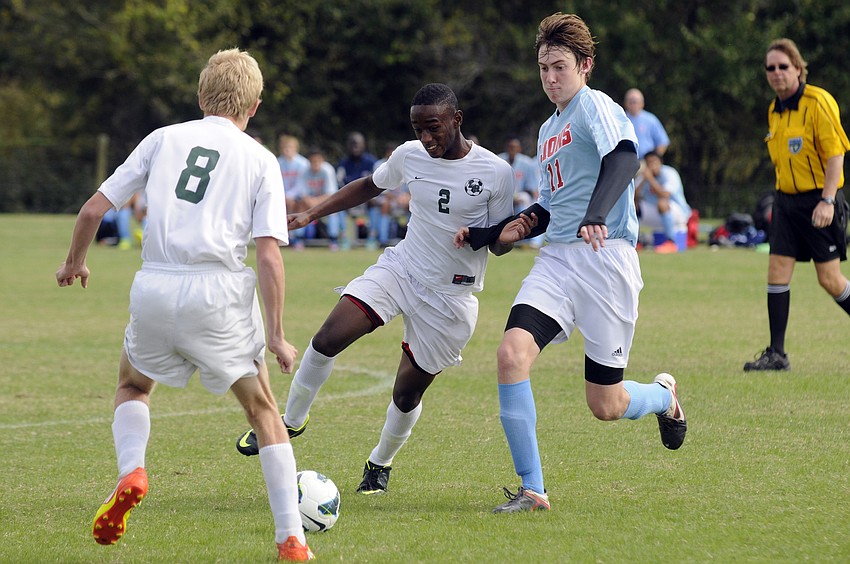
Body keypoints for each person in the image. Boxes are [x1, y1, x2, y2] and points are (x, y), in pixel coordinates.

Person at [55, 48, 313, 562]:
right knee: (263, 411)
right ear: (255, 106)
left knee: (132, 385)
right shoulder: (261, 159)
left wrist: (74, 263)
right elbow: (268, 255)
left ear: (200, 97)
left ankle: (132, 471)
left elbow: (91, 210)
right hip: (218, 293)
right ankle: (292, 538)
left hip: (155, 284)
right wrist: (278, 335)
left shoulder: (162, 139)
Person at [234, 83, 528, 497]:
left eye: (434, 127)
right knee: (327, 338)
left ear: (457, 120)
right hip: (401, 269)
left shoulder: (495, 172)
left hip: (450, 298)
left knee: (406, 395)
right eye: (418, 128)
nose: (426, 138)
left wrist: (496, 236)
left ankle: (380, 463)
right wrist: (311, 214)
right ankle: (290, 422)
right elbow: (369, 185)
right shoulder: (410, 154)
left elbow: (499, 243)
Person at [460, 13, 687, 514]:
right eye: (543, 68)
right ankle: (533, 490)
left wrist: (597, 213)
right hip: (557, 262)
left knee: (606, 404)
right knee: (510, 355)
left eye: (559, 66)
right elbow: (550, 207)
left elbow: (624, 158)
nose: (550, 77)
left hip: (606, 259)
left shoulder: (595, 105)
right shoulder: (548, 129)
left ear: (585, 65)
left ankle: (662, 396)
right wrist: (504, 230)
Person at [744, 38, 850, 372]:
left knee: (830, 280)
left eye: (783, 66)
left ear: (798, 68)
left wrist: (828, 200)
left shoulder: (818, 101)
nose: (776, 73)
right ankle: (777, 354)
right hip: (786, 203)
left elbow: (835, 154)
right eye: (770, 68)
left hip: (819, 200)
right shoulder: (773, 110)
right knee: (776, 272)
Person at [635, 150, 692, 253]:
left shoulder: (669, 173)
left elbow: (664, 195)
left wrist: (650, 179)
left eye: (654, 162)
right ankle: (636, 241)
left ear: (661, 162)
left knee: (662, 203)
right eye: (649, 162)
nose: (652, 165)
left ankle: (671, 241)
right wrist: (643, 179)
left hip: (677, 212)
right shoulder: (644, 175)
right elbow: (633, 197)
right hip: (655, 211)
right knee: (632, 206)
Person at [291, 146, 343, 250]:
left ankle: (333, 240)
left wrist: (316, 201)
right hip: (308, 202)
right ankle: (298, 239)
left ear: (322, 160)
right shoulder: (304, 170)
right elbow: (302, 193)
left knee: (334, 210)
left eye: (318, 161)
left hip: (325, 201)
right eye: (313, 161)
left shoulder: (328, 170)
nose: (315, 164)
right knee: (300, 207)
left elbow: (331, 194)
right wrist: (310, 201)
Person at [498, 136, 543, 248]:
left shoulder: (526, 163)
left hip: (521, 195)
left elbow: (531, 187)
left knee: (526, 204)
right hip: (502, 195)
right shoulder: (498, 160)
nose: (512, 149)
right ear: (506, 147)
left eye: (515, 147)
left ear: (519, 149)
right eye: (510, 147)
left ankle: (531, 241)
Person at [336, 131, 378, 246]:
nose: (355, 147)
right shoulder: (343, 163)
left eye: (358, 144)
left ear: (364, 145)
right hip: (348, 199)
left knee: (376, 207)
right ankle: (344, 239)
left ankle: (372, 238)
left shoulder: (371, 162)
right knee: (337, 207)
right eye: (352, 144)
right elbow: (339, 183)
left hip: (368, 199)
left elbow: (378, 182)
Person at [623, 88, 669, 158]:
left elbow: (662, 142)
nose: (633, 104)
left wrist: (653, 159)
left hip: (646, 161)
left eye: (635, 102)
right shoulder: (621, 120)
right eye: (630, 102)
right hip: (626, 160)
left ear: (642, 103)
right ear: (625, 103)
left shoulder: (651, 120)